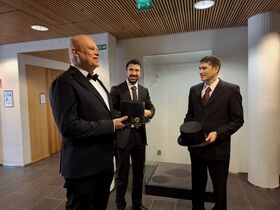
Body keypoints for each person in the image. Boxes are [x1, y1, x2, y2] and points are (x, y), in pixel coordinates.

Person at [49, 34, 128, 210]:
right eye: (92, 48)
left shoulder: (96, 80)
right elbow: (69, 126)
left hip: (103, 164)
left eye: (97, 49)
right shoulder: (63, 82)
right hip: (83, 169)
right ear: (75, 52)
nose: (97, 52)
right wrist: (111, 125)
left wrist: (130, 116)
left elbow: (105, 113)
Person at [183, 56, 244, 210]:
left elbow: (237, 120)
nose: (200, 71)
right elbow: (190, 115)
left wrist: (218, 133)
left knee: (219, 190)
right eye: (199, 68)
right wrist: (186, 130)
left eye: (204, 68)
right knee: (197, 187)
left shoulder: (231, 90)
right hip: (197, 149)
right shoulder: (194, 90)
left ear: (216, 69)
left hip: (218, 149)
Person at [110, 59, 155, 210]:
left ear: (140, 73)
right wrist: (129, 114)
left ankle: (137, 204)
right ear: (126, 71)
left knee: (139, 174)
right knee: (122, 175)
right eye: (131, 70)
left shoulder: (144, 90)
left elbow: (151, 108)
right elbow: (111, 111)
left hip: (140, 137)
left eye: (137, 70)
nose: (134, 73)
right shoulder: (116, 89)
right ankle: (120, 206)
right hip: (123, 136)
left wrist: (148, 112)